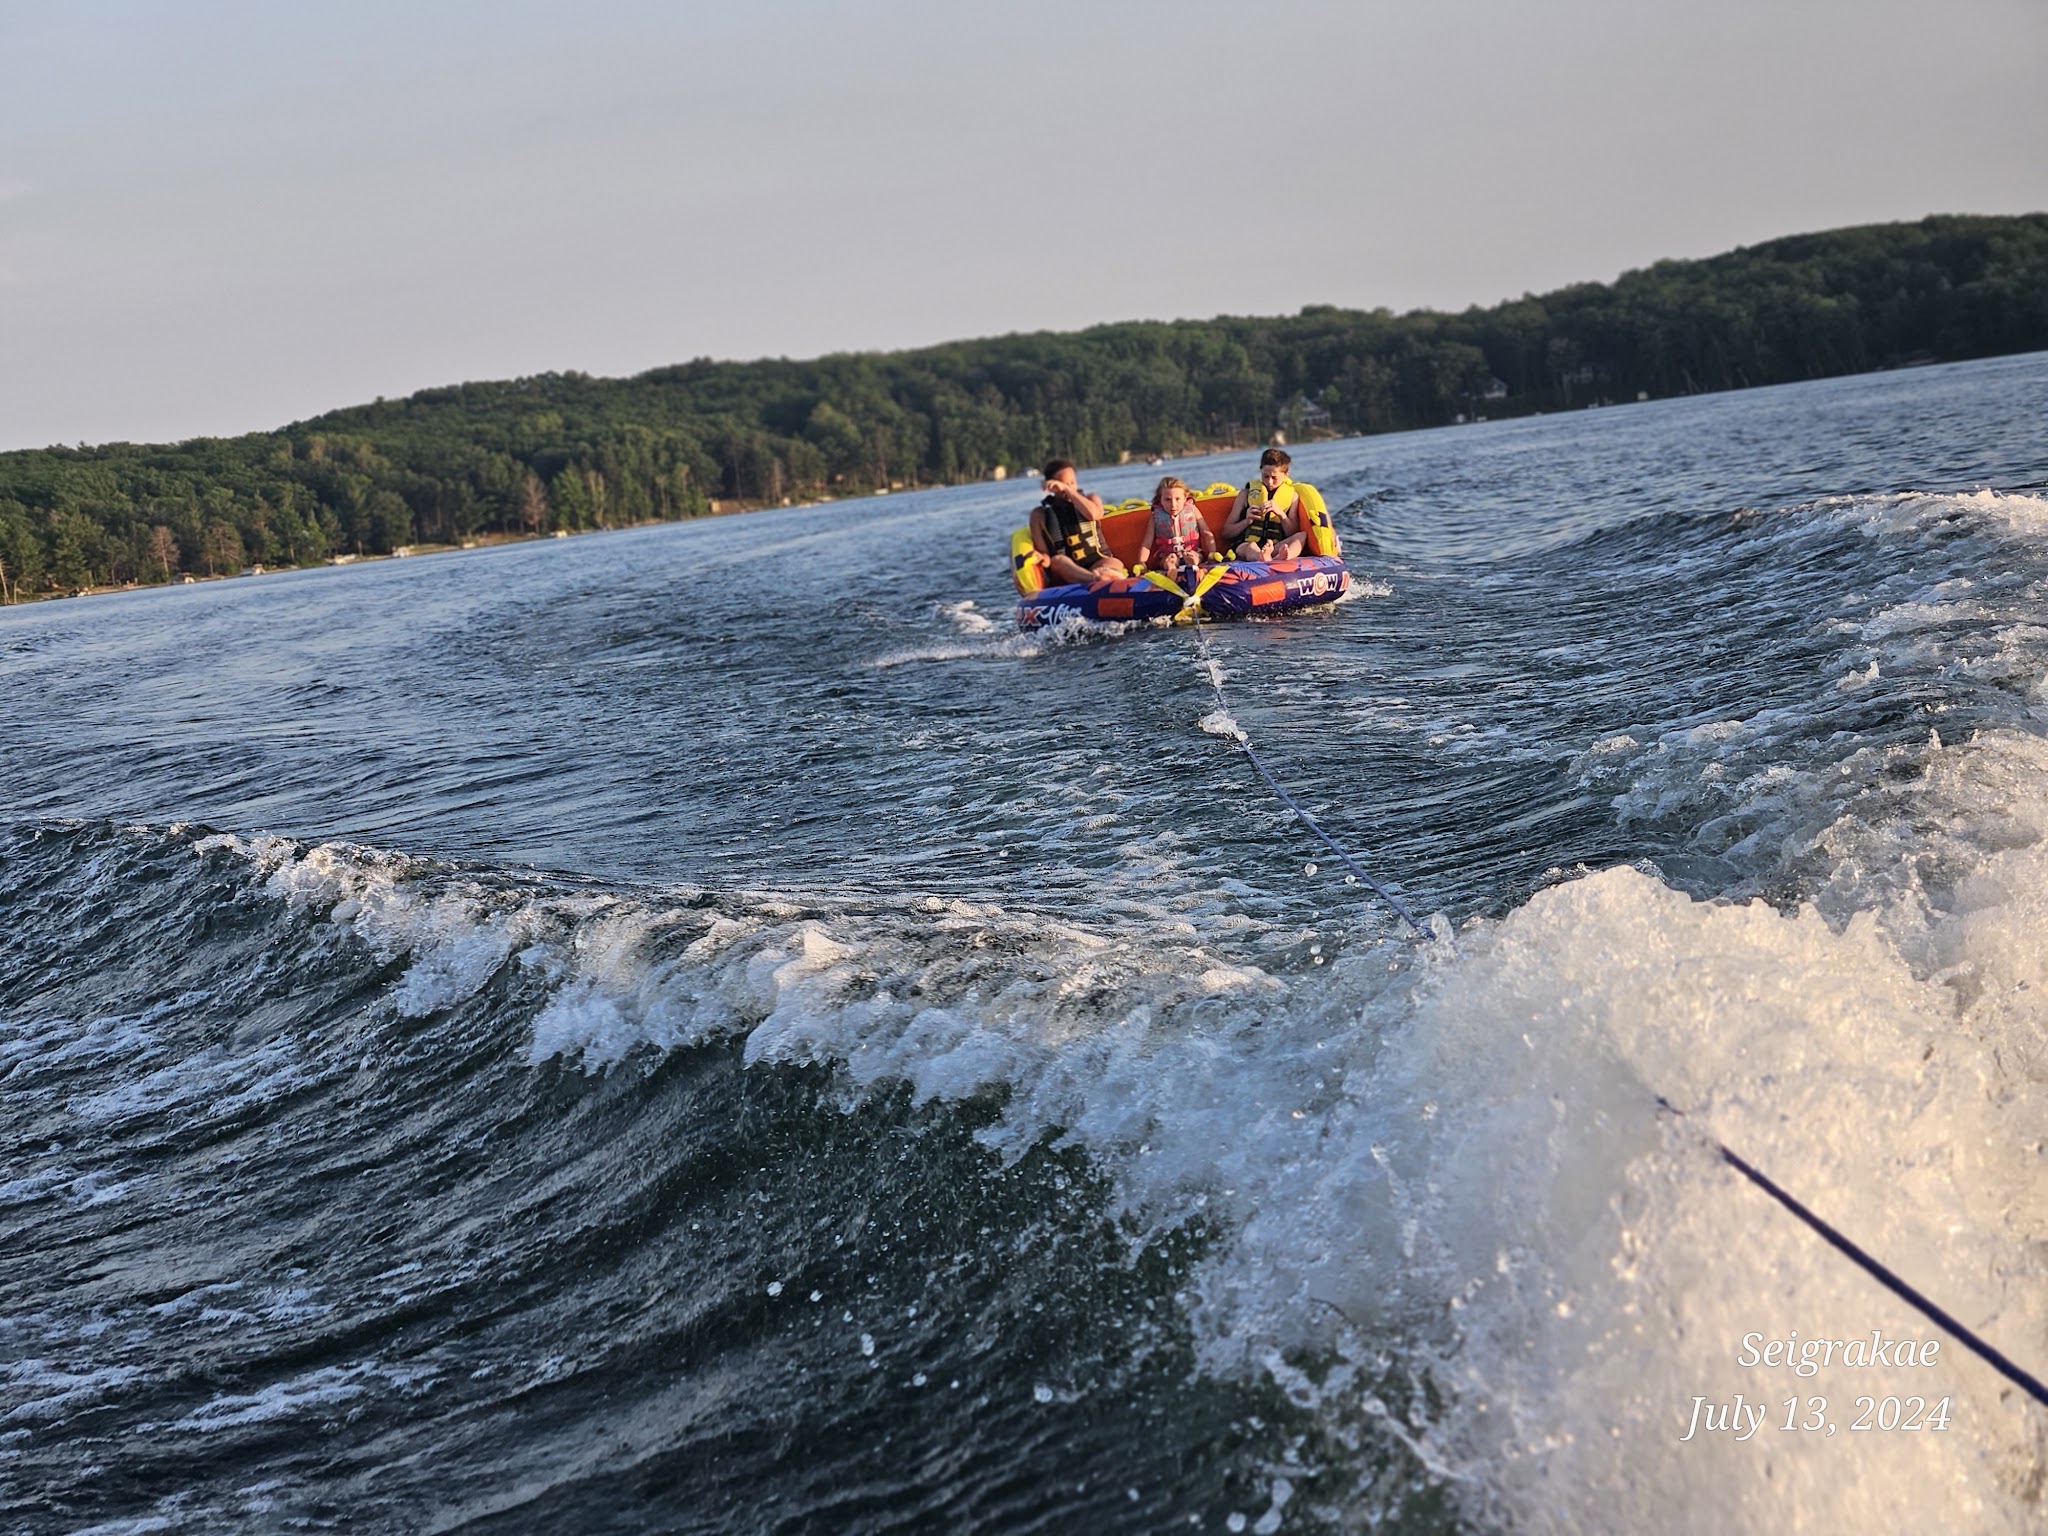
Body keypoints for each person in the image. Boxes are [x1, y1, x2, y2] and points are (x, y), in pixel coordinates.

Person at [1027, 458, 1127, 585]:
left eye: (1072, 483)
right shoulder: (1039, 514)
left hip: (1099, 561)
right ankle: (1096, 579)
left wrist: (1069, 491)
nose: (1068, 487)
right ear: (1051, 486)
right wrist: (1042, 558)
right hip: (1067, 568)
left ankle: (1109, 577)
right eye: (1062, 484)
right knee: (1058, 561)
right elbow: (1045, 554)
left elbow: (1093, 515)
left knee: (1114, 562)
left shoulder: (1091, 498)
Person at [1220, 447, 1306, 562]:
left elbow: (1293, 532)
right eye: (1265, 476)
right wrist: (1246, 521)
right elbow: (1226, 533)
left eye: (1274, 477)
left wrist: (1281, 514)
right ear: (1261, 471)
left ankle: (1279, 557)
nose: (1269, 482)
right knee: (1251, 547)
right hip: (1246, 545)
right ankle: (1265, 558)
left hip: (1274, 546)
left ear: (1286, 475)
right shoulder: (1245, 494)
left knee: (1301, 536)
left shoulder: (1292, 497)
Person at [1134, 475, 1216, 588]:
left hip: (1192, 551)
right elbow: (1146, 543)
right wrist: (1142, 563)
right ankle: (1172, 576)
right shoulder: (1156, 516)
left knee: (1193, 558)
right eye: (1167, 500)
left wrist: (1213, 553)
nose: (1173, 505)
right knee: (1169, 562)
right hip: (1167, 555)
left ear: (1185, 497)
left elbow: (1206, 533)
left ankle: (1194, 572)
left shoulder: (1192, 509)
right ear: (1160, 500)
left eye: (1177, 499)